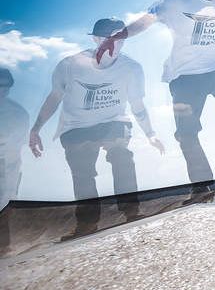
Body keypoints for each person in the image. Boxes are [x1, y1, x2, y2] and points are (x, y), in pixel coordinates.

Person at [96, 0, 215, 177]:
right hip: (184, 75)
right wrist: (118, 36)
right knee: (186, 133)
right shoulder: (176, 1)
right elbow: (146, 21)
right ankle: (203, 184)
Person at [30, 18, 165, 236]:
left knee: (121, 154)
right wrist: (36, 129)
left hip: (114, 121)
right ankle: (87, 224)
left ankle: (131, 212)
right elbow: (54, 97)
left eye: (120, 37)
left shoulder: (131, 68)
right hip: (76, 126)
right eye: (108, 37)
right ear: (95, 39)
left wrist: (151, 134)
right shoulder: (70, 65)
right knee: (82, 170)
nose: (115, 43)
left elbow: (137, 104)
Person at [0, 68, 29, 255]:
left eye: (5, 86)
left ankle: (3, 246)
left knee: (4, 204)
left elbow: (14, 144)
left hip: (7, 165)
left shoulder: (18, 113)